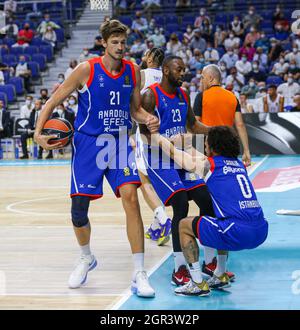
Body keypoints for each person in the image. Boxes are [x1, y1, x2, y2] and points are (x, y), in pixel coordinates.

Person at [34, 19, 159, 297]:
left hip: (118, 143)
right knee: (79, 211)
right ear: (103, 43)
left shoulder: (133, 71)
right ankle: (86, 257)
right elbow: (53, 102)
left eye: (123, 43)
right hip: (88, 143)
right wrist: (38, 132)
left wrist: (147, 117)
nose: (120, 47)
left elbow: (134, 109)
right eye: (114, 42)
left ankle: (139, 273)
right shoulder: (86, 70)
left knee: (131, 197)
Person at [139, 56, 231, 287]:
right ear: (166, 70)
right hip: (159, 158)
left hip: (181, 155)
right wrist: (167, 144)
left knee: (206, 199)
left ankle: (210, 262)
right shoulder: (150, 95)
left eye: (184, 69)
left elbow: (193, 125)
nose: (183, 73)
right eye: (179, 69)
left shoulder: (182, 95)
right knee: (180, 203)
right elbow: (144, 133)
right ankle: (179, 267)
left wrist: (217, 131)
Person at [155, 126, 268, 296]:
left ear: (214, 148)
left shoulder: (209, 166)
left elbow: (173, 154)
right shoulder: (238, 164)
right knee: (220, 220)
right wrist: (186, 144)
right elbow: (200, 157)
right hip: (260, 229)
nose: (205, 147)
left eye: (207, 144)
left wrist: (156, 135)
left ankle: (197, 283)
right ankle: (220, 274)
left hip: (238, 231)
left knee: (184, 225)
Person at [134, 47, 171, 243]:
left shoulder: (140, 74)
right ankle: (156, 227)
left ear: (149, 58)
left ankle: (164, 220)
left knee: (143, 180)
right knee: (157, 180)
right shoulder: (167, 77)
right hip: (168, 134)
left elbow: (132, 103)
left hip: (147, 133)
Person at [193, 65, 251, 166]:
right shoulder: (233, 97)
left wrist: (197, 151)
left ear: (210, 78)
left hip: (208, 147)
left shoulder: (201, 96)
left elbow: (195, 124)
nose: (201, 80)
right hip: (229, 145)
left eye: (203, 77)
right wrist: (246, 150)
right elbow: (240, 125)